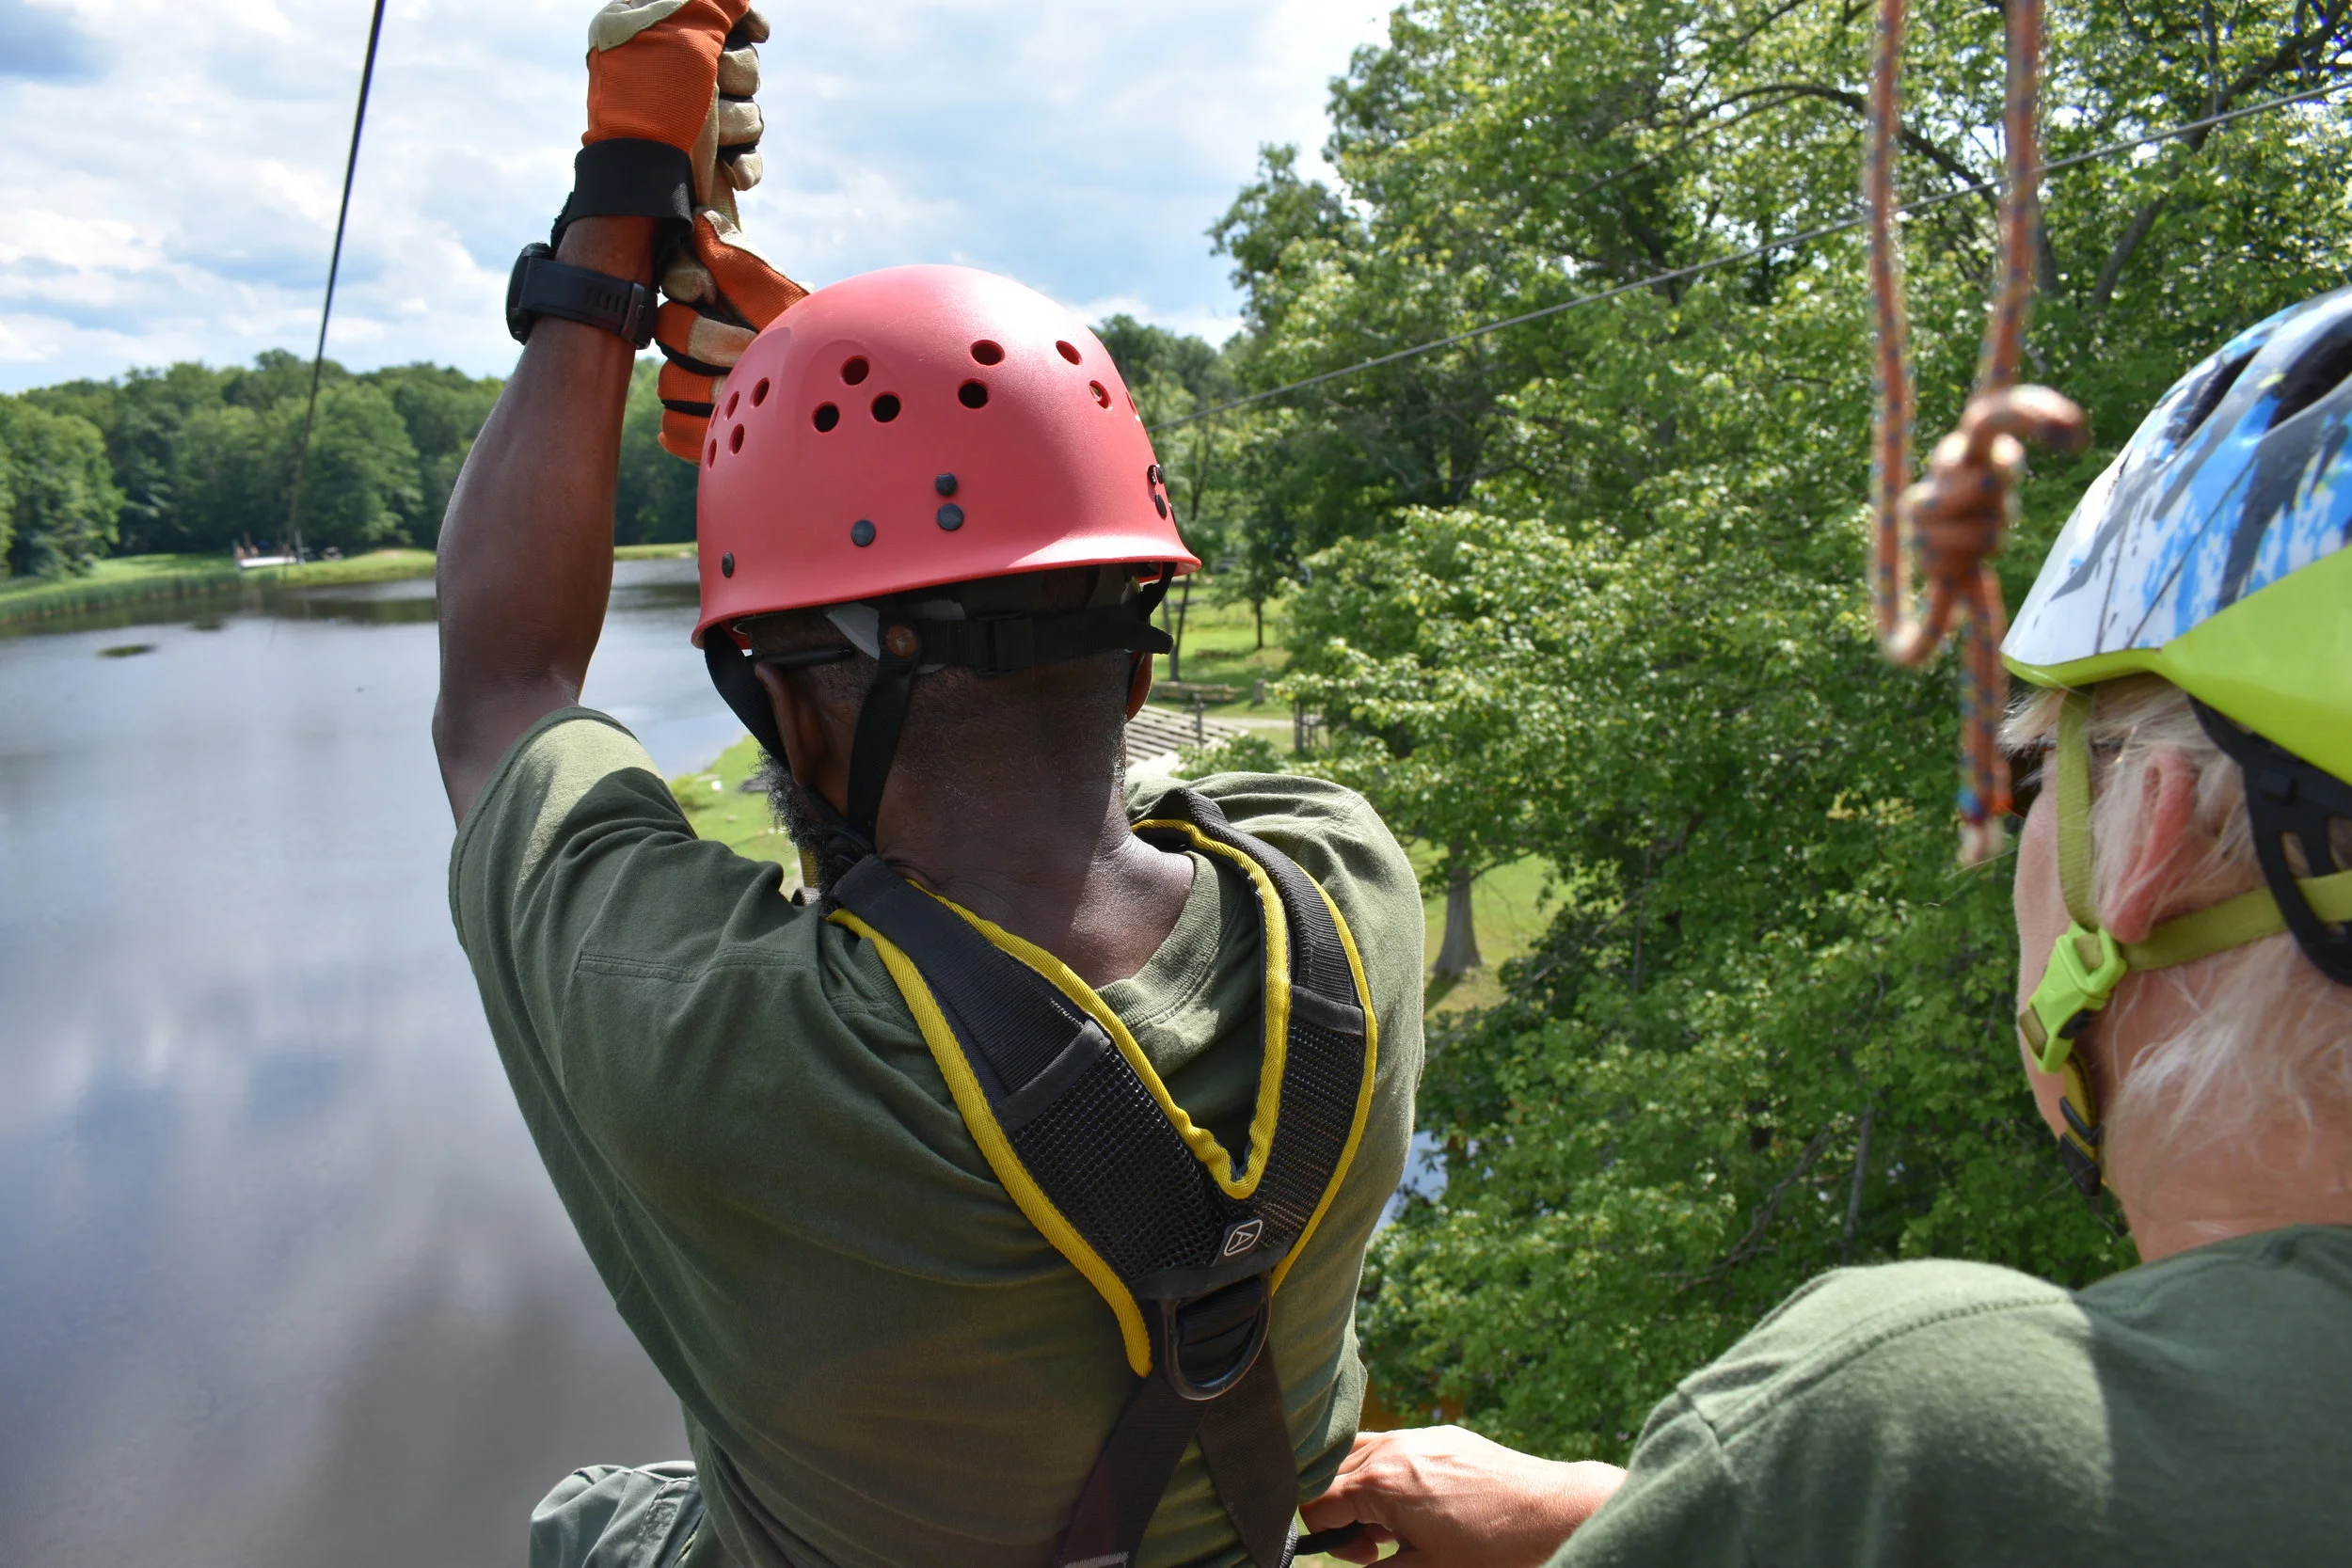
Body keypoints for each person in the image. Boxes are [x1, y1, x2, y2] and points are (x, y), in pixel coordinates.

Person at [431, 5, 1423, 1567]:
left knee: (587, 1526)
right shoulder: (1351, 900)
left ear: (786, 717)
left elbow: (504, 691)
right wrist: (870, 441)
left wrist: (616, 214)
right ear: (1143, 666)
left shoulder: (738, 1061)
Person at [1296, 286, 2352, 1566]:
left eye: (2037, 781)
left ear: (2157, 843)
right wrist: (1634, 1515)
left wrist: (1782, 1488)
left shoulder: (1914, 1425)